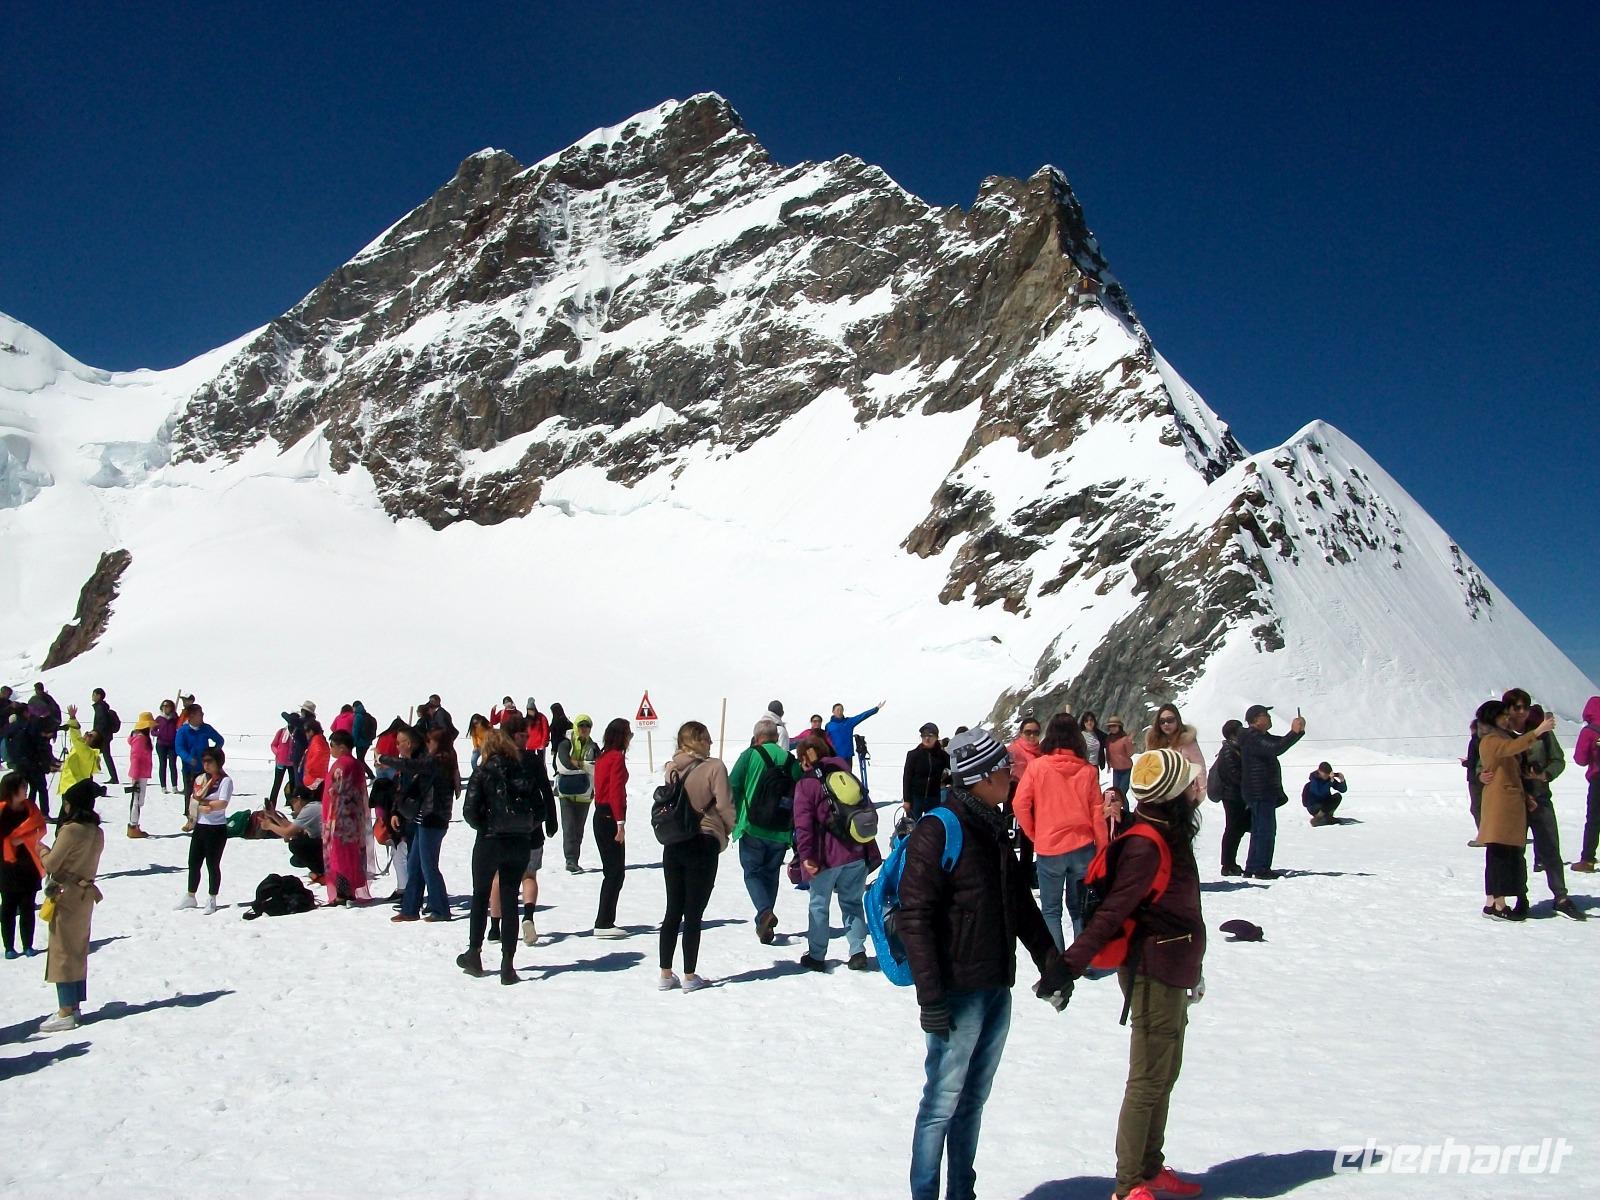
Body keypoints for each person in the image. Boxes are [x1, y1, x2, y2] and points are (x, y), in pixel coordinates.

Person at [899, 728, 1063, 1200]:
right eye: (1005, 769)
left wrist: (1048, 958)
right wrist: (930, 997)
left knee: (972, 1101)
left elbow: (1017, 901)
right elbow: (916, 916)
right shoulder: (941, 828)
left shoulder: (992, 825)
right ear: (982, 777)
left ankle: (961, 1193)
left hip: (995, 985)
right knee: (941, 1104)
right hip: (955, 990)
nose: (1012, 775)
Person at [1058, 748, 1209, 1200]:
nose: (1196, 789)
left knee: (1166, 1071)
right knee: (1147, 1078)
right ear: (1169, 795)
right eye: (1188, 783)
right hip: (1152, 972)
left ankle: (1150, 1166)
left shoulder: (1169, 830)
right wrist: (1068, 964)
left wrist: (1195, 969)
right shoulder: (1146, 843)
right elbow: (1111, 913)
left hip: (1175, 966)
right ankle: (1129, 1185)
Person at [459, 728, 552, 983]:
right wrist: (524, 828)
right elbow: (540, 810)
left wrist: (486, 827)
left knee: (481, 895)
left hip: (489, 841)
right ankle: (507, 964)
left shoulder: (483, 772)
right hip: (519, 843)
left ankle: (474, 952)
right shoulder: (523, 771)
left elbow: (469, 811)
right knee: (511, 898)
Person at [1014, 713, 1112, 948]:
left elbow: (1019, 804)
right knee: (1080, 908)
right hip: (1082, 846)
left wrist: (1034, 834)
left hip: (1050, 847)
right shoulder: (1088, 771)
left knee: (1050, 910)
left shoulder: (1038, 767)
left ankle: (1057, 966)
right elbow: (1097, 813)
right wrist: (1102, 849)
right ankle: (1083, 959)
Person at [659, 720, 734, 990]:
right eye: (707, 738)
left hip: (674, 841)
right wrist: (728, 829)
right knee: (693, 912)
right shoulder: (714, 767)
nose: (711, 743)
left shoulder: (672, 768)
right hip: (703, 839)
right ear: (697, 740)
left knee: (672, 910)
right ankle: (690, 975)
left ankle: (666, 974)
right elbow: (725, 804)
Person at [793, 737, 879, 972]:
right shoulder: (846, 774)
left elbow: (803, 825)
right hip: (857, 851)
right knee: (852, 902)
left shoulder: (805, 785)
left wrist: (806, 856)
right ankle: (858, 951)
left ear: (803, 758)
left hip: (826, 857)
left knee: (819, 904)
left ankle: (817, 955)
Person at [727, 718, 804, 944]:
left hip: (752, 825)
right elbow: (800, 790)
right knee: (771, 874)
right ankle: (765, 923)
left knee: (752, 872)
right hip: (780, 830)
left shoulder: (750, 755)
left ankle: (764, 913)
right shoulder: (790, 761)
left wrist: (732, 817)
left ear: (757, 737)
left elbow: (732, 786)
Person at [1476, 699, 1553, 920]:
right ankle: (1498, 905)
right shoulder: (1492, 740)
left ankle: (1492, 902)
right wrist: (1538, 732)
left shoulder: (1498, 738)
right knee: (1500, 853)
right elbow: (1510, 749)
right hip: (1501, 805)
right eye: (1503, 715)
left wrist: (1525, 795)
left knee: (1501, 853)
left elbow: (1511, 770)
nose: (1508, 718)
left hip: (1509, 802)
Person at [40, 779, 106, 1032]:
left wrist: (42, 850)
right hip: (85, 894)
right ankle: (75, 1002)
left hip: (67, 894)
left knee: (62, 950)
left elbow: (52, 864)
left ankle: (66, 1009)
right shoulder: (96, 831)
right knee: (78, 948)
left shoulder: (71, 830)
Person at [384, 727, 453, 922]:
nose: (427, 745)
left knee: (428, 866)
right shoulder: (434, 761)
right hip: (424, 819)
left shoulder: (438, 761)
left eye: (430, 742)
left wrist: (385, 759)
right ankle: (410, 908)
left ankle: (440, 909)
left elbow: (411, 766)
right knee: (414, 865)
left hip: (433, 820)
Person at [1521, 704, 1583, 919]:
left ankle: (1561, 897)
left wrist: (1545, 774)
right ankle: (1520, 897)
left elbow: (1558, 759)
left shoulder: (1543, 732)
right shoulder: (1507, 732)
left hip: (1540, 798)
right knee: (1515, 851)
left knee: (1550, 847)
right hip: (1513, 801)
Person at [1238, 704, 1304, 880]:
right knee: (1265, 830)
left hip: (1261, 791)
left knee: (1260, 830)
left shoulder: (1257, 736)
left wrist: (1296, 733)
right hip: (1260, 791)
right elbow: (1276, 748)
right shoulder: (1253, 737)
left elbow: (1277, 743)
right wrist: (1294, 732)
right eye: (1265, 715)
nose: (1269, 717)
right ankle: (1260, 868)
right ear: (1255, 720)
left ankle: (1253, 866)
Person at [176, 748, 232, 913]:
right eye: (204, 761)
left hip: (216, 828)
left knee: (212, 864)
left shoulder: (225, 781)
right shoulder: (201, 779)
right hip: (200, 826)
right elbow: (194, 799)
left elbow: (222, 803)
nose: (206, 765)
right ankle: (190, 895)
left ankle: (212, 897)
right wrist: (199, 808)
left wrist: (204, 805)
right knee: (193, 862)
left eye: (210, 761)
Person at [321, 729, 373, 906]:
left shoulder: (341, 765)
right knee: (351, 855)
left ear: (342, 747)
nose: (331, 749)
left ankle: (343, 892)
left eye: (333, 746)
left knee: (339, 856)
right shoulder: (357, 764)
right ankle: (349, 889)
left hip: (339, 819)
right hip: (353, 818)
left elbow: (335, 792)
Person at [591, 718, 632, 937]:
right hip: (609, 816)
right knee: (615, 872)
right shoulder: (615, 758)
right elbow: (616, 791)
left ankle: (605, 919)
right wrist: (620, 823)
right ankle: (604, 921)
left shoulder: (604, 756)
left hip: (601, 815)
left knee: (612, 871)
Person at [1, 772, 46, 958]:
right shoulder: (2, 810)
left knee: (28, 906)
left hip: (29, 864)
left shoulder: (30, 808)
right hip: (6, 865)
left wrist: (23, 839)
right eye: (22, 787)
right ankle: (9, 947)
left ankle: (28, 944)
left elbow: (40, 828)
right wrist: (12, 841)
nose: (26, 791)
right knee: (9, 907)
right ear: (12, 790)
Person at [554, 715, 598, 873]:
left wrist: (578, 764)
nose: (584, 729)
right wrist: (586, 766)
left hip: (585, 794)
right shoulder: (565, 743)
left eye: (587, 726)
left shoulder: (593, 746)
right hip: (566, 794)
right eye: (581, 725)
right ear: (575, 726)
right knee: (569, 827)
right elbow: (563, 765)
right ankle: (570, 860)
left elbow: (597, 768)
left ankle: (574, 860)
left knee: (578, 830)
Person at [1006, 715, 1044, 881]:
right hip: (1015, 794)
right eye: (1028, 732)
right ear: (1021, 733)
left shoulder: (1042, 752)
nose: (1032, 736)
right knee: (1011, 834)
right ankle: (1010, 871)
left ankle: (1026, 871)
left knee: (1030, 836)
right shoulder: (1012, 750)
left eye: (1036, 732)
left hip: (1035, 796)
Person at [1143, 704, 1206, 803]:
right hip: (1158, 796)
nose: (1166, 724)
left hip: (1182, 797)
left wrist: (1200, 795)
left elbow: (1199, 768)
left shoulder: (1187, 741)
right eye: (1162, 721)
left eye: (1170, 720)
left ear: (1177, 720)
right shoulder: (1154, 742)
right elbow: (1146, 767)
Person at [259, 787, 325, 878]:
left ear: (299, 800)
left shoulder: (310, 809)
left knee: (295, 844)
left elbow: (288, 833)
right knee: (296, 860)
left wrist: (269, 826)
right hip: (324, 843)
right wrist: (274, 815)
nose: (292, 806)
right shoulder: (313, 806)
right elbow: (294, 829)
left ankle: (322, 873)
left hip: (327, 845)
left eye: (293, 802)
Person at [1212, 720, 1249, 875]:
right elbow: (1234, 774)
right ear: (1234, 734)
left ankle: (1229, 863)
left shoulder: (1233, 748)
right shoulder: (1229, 751)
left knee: (1236, 829)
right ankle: (1227, 864)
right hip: (1232, 795)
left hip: (1234, 795)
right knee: (1233, 829)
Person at [174, 703, 224, 805]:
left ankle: (203, 814)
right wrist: (189, 759)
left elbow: (220, 740)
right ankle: (189, 815)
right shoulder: (183, 731)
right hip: (189, 769)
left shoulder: (206, 728)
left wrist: (212, 754)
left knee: (205, 792)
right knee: (190, 794)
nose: (202, 715)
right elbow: (179, 748)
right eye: (200, 714)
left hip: (205, 768)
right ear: (192, 716)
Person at [1572, 695, 1600, 873]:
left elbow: (1580, 759)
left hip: (1598, 778)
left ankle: (1587, 859)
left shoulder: (1589, 731)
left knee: (1594, 820)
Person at [903, 723, 951, 820]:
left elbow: (954, 770)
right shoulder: (913, 755)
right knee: (913, 827)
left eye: (930, 736)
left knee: (931, 827)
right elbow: (907, 777)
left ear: (937, 737)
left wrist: (948, 781)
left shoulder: (942, 756)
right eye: (924, 736)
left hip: (934, 798)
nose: (927, 739)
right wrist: (907, 800)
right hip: (916, 798)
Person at [57, 707, 104, 801]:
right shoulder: (88, 752)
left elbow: (76, 738)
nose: (87, 733)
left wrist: (73, 719)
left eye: (90, 735)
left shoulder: (86, 752)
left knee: (68, 814)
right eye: (89, 732)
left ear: (93, 744)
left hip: (72, 788)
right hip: (74, 788)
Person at [825, 701, 883, 771]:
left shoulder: (849, 722)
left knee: (848, 778)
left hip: (847, 756)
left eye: (841, 710)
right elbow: (826, 740)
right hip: (835, 756)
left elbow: (861, 716)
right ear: (833, 711)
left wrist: (876, 709)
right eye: (837, 710)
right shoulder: (829, 726)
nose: (839, 712)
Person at [125, 711, 154, 838]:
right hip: (139, 773)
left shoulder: (140, 737)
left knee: (138, 800)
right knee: (137, 800)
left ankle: (134, 825)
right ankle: (133, 825)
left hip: (141, 772)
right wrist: (136, 776)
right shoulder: (141, 739)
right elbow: (136, 757)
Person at [89, 688, 121, 784]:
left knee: (91, 755)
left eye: (94, 694)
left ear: (99, 696)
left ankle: (88, 776)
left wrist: (95, 732)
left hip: (101, 736)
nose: (92, 696)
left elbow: (102, 723)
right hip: (104, 735)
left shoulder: (100, 707)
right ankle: (114, 777)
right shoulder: (102, 707)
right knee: (105, 756)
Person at [1301, 762, 1347, 826]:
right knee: (1323, 804)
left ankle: (1326, 817)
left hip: (1324, 804)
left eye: (1328, 774)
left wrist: (1342, 780)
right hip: (1314, 805)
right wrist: (1330, 782)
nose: (1327, 776)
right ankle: (1318, 818)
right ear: (1319, 771)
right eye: (1325, 774)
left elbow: (1343, 790)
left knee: (1337, 796)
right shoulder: (1314, 780)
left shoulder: (1329, 779)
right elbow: (1320, 792)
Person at [153, 699, 181, 794]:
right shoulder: (159, 719)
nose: (165, 708)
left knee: (173, 765)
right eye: (164, 706)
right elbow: (152, 731)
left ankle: (174, 786)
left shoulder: (175, 718)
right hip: (161, 744)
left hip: (172, 745)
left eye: (167, 706)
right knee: (162, 764)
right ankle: (163, 786)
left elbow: (180, 728)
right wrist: (158, 733)